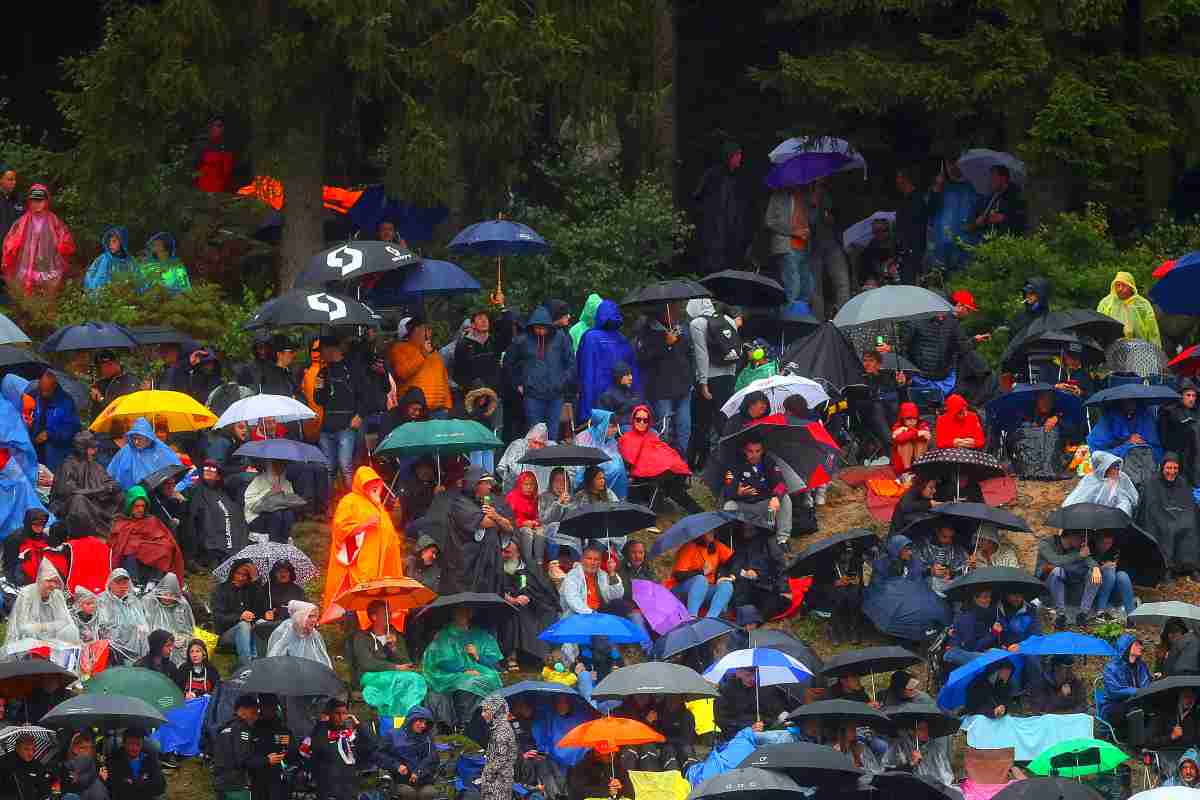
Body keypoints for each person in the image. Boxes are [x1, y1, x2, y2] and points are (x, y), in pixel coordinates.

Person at [322, 464, 405, 617]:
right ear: (361, 484)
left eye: (376, 483)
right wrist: (363, 526)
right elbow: (339, 528)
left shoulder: (378, 505)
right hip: (359, 564)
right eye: (368, 483)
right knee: (360, 598)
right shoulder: (350, 501)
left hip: (381, 562)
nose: (373, 487)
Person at [421, 606, 504, 725]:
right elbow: (441, 660)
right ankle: (467, 722)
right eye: (459, 611)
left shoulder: (480, 635)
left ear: (471, 614)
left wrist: (478, 655)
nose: (463, 615)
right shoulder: (444, 635)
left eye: (466, 611)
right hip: (448, 673)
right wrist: (464, 670)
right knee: (470, 682)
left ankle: (487, 718)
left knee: (491, 677)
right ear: (453, 614)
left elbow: (493, 660)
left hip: (479, 670)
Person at [349, 599, 427, 720]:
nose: (390, 617)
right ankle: (409, 716)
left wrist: (394, 648)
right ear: (374, 617)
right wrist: (395, 667)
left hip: (395, 675)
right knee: (410, 679)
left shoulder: (394, 635)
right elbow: (367, 663)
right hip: (369, 676)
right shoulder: (361, 637)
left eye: (390, 613)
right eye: (386, 614)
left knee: (414, 678)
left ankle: (408, 718)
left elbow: (406, 662)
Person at [619, 404, 703, 513]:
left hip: (661, 471)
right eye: (638, 419)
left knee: (671, 481)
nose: (641, 423)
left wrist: (668, 463)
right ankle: (696, 510)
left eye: (645, 420)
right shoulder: (626, 438)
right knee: (670, 483)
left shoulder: (652, 435)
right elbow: (630, 458)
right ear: (633, 420)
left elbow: (664, 451)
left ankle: (695, 510)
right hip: (643, 472)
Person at [688, 299, 743, 465]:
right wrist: (731, 377)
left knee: (701, 422)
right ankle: (732, 460)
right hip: (727, 378)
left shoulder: (697, 324)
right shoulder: (728, 320)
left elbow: (701, 355)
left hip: (709, 379)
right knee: (723, 422)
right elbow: (735, 351)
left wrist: (703, 383)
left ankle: (697, 462)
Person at [507, 306, 575, 436]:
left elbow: (571, 363)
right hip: (532, 395)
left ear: (549, 326)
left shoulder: (560, 338)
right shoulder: (523, 340)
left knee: (552, 433)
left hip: (555, 395)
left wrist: (562, 382)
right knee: (535, 435)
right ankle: (536, 457)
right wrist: (518, 383)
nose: (540, 331)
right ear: (531, 326)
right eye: (537, 327)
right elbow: (509, 362)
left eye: (543, 327)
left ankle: (552, 456)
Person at [635, 306, 692, 456]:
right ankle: (664, 465)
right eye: (672, 310)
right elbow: (643, 358)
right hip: (662, 388)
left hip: (683, 385)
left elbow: (688, 353)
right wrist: (666, 344)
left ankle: (682, 464)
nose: (676, 313)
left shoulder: (681, 327)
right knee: (664, 429)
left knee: (684, 427)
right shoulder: (647, 330)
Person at [1, 183, 76, 296]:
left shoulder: (53, 220)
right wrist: (11, 249)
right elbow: (12, 238)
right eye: (34, 201)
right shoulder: (23, 221)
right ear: (29, 202)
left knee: (48, 292)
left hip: (48, 263)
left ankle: (45, 309)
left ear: (46, 201)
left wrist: (62, 246)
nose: (37, 204)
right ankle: (30, 308)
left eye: (40, 201)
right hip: (27, 263)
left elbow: (64, 237)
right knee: (27, 293)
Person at [312, 336, 366, 489]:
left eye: (321, 350)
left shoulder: (352, 369)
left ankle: (352, 504)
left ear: (331, 349)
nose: (320, 354)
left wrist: (359, 415)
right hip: (327, 427)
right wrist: (320, 385)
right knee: (328, 468)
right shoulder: (323, 372)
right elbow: (319, 400)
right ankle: (328, 506)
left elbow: (367, 395)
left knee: (346, 467)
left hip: (347, 427)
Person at [720, 435, 793, 545]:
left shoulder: (768, 462)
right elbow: (727, 488)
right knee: (729, 505)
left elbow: (782, 484)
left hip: (766, 508)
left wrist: (775, 498)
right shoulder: (735, 464)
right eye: (750, 451)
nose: (754, 455)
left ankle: (782, 540)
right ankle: (732, 541)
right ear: (744, 450)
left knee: (785, 499)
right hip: (745, 506)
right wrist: (737, 492)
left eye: (757, 451)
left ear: (762, 450)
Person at [1139, 452, 1198, 581]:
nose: (1172, 472)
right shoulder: (1152, 483)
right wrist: (1168, 516)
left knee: (1191, 526)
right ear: (1162, 468)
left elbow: (1189, 504)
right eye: (1169, 468)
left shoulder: (1182, 482)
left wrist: (1184, 517)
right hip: (1160, 517)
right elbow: (1151, 508)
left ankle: (1190, 567)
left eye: (1175, 468)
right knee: (1167, 528)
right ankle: (1166, 569)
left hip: (1178, 515)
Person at [110, 486, 186, 586]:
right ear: (130, 505)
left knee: (166, 547)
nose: (140, 509)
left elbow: (163, 537)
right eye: (137, 506)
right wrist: (135, 543)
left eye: (142, 506)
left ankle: (154, 581)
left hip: (149, 549)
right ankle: (134, 583)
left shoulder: (151, 520)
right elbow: (118, 542)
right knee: (128, 548)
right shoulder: (121, 521)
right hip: (132, 553)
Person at [692, 142, 750, 275]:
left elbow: (741, 208)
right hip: (715, 236)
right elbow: (698, 200)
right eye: (737, 154)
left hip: (731, 236)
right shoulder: (713, 175)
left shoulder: (738, 178)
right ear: (729, 156)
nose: (740, 157)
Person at [577, 299, 639, 421]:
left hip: (595, 389)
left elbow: (583, 368)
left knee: (598, 425)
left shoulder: (590, 337)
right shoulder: (621, 338)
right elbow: (632, 368)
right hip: (617, 394)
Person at [3, 559, 80, 655]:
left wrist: (44, 627)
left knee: (72, 630)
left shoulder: (57, 595)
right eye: (49, 580)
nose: (53, 585)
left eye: (55, 581)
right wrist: (44, 629)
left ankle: (72, 658)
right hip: (28, 640)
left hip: (52, 639)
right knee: (29, 644)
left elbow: (65, 621)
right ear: (40, 578)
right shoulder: (27, 594)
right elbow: (22, 627)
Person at [187, 460, 249, 567]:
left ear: (218, 476)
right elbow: (195, 514)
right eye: (206, 468)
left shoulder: (224, 491)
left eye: (213, 469)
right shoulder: (196, 489)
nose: (208, 471)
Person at [1089, 398, 1161, 488]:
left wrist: (1135, 442)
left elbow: (1152, 442)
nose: (1131, 405)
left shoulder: (1144, 415)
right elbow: (1097, 451)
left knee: (1141, 453)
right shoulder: (1109, 418)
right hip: (1116, 459)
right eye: (1127, 401)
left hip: (1142, 461)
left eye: (1134, 401)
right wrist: (1127, 442)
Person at [389, 316, 453, 416]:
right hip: (415, 412)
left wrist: (447, 405)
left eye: (429, 329)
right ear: (415, 331)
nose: (429, 333)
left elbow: (443, 380)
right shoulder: (399, 349)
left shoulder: (434, 353)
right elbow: (402, 373)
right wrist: (422, 354)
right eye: (425, 329)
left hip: (439, 411)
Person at [1037, 529, 1101, 629]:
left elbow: (1090, 561)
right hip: (1047, 587)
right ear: (1071, 536)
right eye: (1081, 538)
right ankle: (1061, 615)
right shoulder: (1045, 544)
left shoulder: (1076, 547)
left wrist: (1096, 568)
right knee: (1057, 571)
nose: (1083, 542)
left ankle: (1082, 614)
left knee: (1094, 574)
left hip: (1069, 587)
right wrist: (1079, 555)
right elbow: (1055, 561)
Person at [766, 183, 814, 308]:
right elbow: (769, 221)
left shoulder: (805, 197)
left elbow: (811, 221)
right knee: (793, 286)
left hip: (804, 247)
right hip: (786, 246)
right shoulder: (778, 196)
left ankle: (799, 319)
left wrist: (807, 228)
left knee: (807, 287)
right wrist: (793, 232)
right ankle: (787, 321)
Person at [211, 558, 267, 665]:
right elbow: (218, 617)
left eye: (245, 575)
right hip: (226, 633)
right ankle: (246, 665)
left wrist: (255, 579)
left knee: (261, 624)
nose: (241, 578)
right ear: (232, 573)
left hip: (251, 629)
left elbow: (260, 610)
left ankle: (260, 662)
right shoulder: (221, 590)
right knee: (243, 625)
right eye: (238, 573)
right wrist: (240, 616)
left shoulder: (251, 589)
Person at [666, 530, 734, 619]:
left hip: (707, 589)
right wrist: (702, 571)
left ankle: (711, 619)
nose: (712, 534)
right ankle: (692, 617)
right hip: (681, 588)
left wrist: (723, 576)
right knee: (701, 580)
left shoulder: (717, 546)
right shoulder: (689, 547)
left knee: (727, 585)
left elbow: (733, 560)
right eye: (708, 532)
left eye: (713, 531)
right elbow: (679, 575)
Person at [928, 160, 980, 271]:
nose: (953, 167)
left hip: (964, 246)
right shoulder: (940, 188)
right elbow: (929, 211)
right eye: (950, 164)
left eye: (956, 164)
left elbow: (978, 215)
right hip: (941, 246)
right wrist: (936, 189)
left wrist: (974, 224)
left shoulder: (971, 189)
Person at [26, 368, 80, 473]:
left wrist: (50, 433)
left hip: (55, 456)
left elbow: (72, 428)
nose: (43, 393)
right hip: (33, 451)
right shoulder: (33, 396)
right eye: (41, 389)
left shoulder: (65, 401)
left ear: (54, 386)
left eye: (47, 390)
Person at [106, 417, 182, 491]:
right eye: (134, 438)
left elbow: (175, 469)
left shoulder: (160, 449)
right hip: (131, 497)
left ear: (148, 438)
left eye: (139, 439)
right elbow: (110, 475)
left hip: (158, 494)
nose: (136, 442)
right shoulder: (125, 452)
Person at [904, 311, 969, 397]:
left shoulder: (953, 323)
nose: (942, 316)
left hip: (945, 379)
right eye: (939, 313)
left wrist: (973, 341)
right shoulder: (916, 321)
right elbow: (904, 346)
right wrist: (908, 374)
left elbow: (960, 347)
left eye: (944, 313)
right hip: (919, 377)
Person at [715, 667, 790, 738]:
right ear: (738, 673)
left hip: (765, 731)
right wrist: (749, 727)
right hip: (737, 735)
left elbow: (776, 709)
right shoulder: (727, 691)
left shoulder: (765, 688)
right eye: (748, 675)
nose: (753, 678)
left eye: (755, 674)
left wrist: (783, 717)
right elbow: (722, 720)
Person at [97, 567, 151, 664]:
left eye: (125, 583)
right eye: (118, 582)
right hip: (114, 649)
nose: (122, 586)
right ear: (110, 583)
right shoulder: (102, 600)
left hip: (136, 647)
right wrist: (127, 629)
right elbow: (103, 627)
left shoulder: (134, 601)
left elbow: (143, 622)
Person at [140, 573, 195, 666]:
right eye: (165, 594)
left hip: (176, 643)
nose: (168, 598)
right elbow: (143, 625)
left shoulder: (182, 605)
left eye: (171, 595)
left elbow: (189, 629)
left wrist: (184, 638)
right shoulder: (149, 602)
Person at [386, 706, 440, 799]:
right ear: (410, 720)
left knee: (429, 793)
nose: (423, 726)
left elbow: (433, 759)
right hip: (399, 781)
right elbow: (380, 756)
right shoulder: (392, 735)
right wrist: (397, 765)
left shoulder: (427, 738)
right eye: (420, 721)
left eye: (425, 723)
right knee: (408, 793)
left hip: (423, 781)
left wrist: (419, 772)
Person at [574, 408, 629, 500]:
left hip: (606, 482)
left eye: (616, 426)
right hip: (584, 478)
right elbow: (580, 466)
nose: (614, 430)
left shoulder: (611, 441)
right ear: (601, 426)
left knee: (618, 466)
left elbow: (617, 464)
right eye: (610, 426)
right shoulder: (583, 438)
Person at [1100, 634, 1152, 729]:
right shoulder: (1111, 668)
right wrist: (1136, 691)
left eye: (1140, 645)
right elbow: (1114, 691)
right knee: (1132, 711)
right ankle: (1133, 739)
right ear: (1126, 647)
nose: (1141, 647)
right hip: (1114, 704)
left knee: (1153, 708)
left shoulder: (1141, 666)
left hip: (1137, 701)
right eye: (1136, 645)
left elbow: (1146, 685)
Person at [1064, 450, 1139, 516]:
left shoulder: (1122, 477)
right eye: (1113, 466)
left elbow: (1129, 497)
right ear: (1104, 468)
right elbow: (1079, 500)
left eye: (1117, 466)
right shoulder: (1090, 479)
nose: (1117, 469)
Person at [1097, 270, 1162, 346]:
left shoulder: (1142, 304)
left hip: (1139, 347)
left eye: (1124, 285)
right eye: (1118, 285)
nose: (1120, 289)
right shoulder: (1106, 303)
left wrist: (1155, 349)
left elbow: (1152, 329)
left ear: (1131, 287)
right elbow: (1099, 323)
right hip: (1112, 347)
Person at [243, 460, 298, 544]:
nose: (279, 469)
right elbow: (251, 505)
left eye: (282, 466)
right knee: (277, 514)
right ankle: (273, 545)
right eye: (276, 466)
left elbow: (290, 502)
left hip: (279, 515)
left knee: (288, 514)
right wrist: (269, 493)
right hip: (256, 517)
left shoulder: (286, 483)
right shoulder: (259, 480)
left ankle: (284, 544)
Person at [894, 167, 932, 284]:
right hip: (905, 251)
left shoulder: (918, 199)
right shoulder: (905, 200)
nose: (896, 181)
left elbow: (916, 226)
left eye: (898, 177)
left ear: (903, 179)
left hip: (914, 251)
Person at [967, 165, 1027, 237]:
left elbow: (1022, 221)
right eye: (991, 177)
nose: (991, 181)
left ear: (1003, 178)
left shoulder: (1016, 196)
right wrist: (978, 222)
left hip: (1008, 243)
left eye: (994, 177)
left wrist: (1003, 218)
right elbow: (976, 220)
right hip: (990, 242)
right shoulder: (991, 197)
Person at [266, 599, 332, 666]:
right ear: (299, 617)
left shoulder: (315, 635)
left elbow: (323, 659)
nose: (314, 620)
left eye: (315, 616)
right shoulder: (285, 632)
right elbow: (274, 660)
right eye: (310, 616)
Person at [1091, 530, 1137, 623]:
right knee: (1109, 572)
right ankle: (1100, 612)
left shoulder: (1114, 551)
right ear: (1097, 541)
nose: (1107, 546)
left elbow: (1123, 569)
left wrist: (1115, 565)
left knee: (1122, 575)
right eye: (1104, 543)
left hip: (1113, 591)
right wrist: (1101, 568)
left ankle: (1131, 616)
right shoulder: (1089, 551)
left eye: (1110, 543)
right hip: (1096, 591)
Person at [945, 589, 1000, 668]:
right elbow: (971, 647)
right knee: (999, 663)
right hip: (959, 654)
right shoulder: (967, 618)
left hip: (975, 651)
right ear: (975, 598)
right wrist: (993, 633)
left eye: (989, 597)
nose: (989, 600)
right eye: (985, 597)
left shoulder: (986, 612)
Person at [1160, 379, 1200, 485]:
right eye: (1188, 395)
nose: (1191, 399)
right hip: (1176, 454)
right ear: (1181, 396)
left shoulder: (1197, 412)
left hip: (1194, 453)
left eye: (1193, 396)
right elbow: (1163, 437)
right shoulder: (1169, 411)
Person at [480, 694, 519, 800]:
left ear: (496, 711)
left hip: (498, 783)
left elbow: (500, 759)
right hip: (501, 780)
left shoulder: (501, 731)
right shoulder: (499, 728)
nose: (482, 714)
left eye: (486, 710)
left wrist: (486, 774)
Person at [916, 521, 970, 595]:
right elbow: (913, 569)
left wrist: (951, 573)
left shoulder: (958, 549)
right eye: (944, 537)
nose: (948, 540)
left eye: (951, 537)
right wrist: (929, 571)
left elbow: (965, 570)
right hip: (924, 590)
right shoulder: (922, 546)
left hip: (950, 591)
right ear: (937, 532)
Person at [0, 731, 56, 798]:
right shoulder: (5, 762)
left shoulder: (36, 764)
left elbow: (45, 784)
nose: (30, 753)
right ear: (17, 748)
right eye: (26, 749)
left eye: (33, 749)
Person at [90, 351, 141, 419]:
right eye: (101, 367)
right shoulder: (100, 383)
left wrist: (101, 399)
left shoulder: (129, 380)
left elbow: (120, 405)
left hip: (124, 421)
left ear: (116, 363)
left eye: (109, 365)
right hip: (102, 424)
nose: (105, 370)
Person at [193, 115, 234, 193]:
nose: (221, 129)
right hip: (203, 190)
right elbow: (195, 167)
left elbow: (228, 172)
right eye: (218, 126)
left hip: (220, 191)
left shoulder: (226, 146)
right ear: (211, 127)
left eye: (222, 126)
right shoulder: (202, 144)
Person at [890, 401, 931, 474]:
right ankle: (907, 471)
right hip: (902, 466)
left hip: (919, 460)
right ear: (903, 419)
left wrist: (908, 431)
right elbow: (900, 439)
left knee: (921, 442)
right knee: (905, 443)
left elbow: (926, 437)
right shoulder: (897, 426)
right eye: (908, 418)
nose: (912, 421)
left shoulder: (922, 424)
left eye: (914, 418)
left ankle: (918, 469)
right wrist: (917, 433)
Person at [0, 165, 19, 236]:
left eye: (14, 180)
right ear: (1, 180)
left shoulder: (18, 199)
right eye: (10, 179)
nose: (14, 182)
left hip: (14, 245)